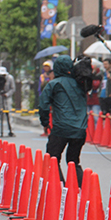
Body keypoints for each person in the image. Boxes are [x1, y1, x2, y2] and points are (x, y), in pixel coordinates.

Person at [38, 55, 87, 185]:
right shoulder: (80, 84)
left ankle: (59, 188)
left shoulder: (53, 84)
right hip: (80, 130)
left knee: (52, 159)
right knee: (73, 161)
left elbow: (43, 106)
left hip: (61, 128)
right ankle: (81, 189)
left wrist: (45, 122)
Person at [0, 67, 15, 137]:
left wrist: (7, 94)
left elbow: (13, 89)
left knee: (9, 114)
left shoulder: (10, 78)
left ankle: (11, 130)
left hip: (6, 97)